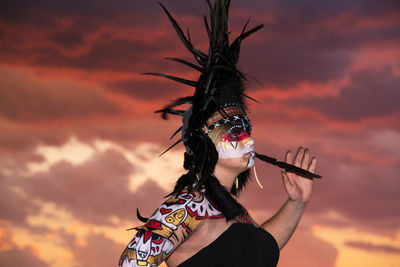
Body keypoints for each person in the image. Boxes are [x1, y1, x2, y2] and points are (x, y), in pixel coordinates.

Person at [119, 1, 320, 266]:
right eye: (234, 131)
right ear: (203, 141)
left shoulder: (235, 212)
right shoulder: (187, 206)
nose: (247, 138)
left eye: (247, 128)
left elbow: (262, 249)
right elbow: (131, 263)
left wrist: (297, 202)